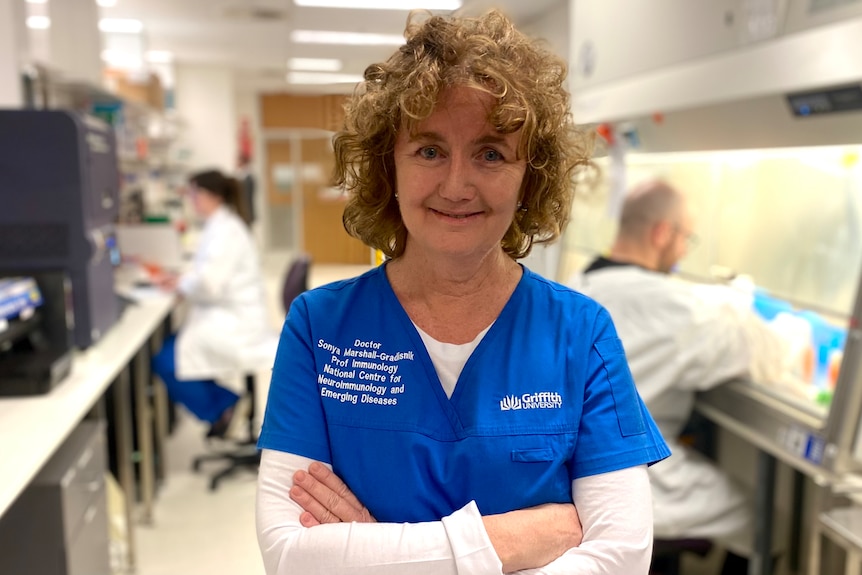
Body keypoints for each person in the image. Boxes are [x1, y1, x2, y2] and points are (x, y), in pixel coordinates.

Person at [255, 10, 670, 574]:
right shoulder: (320, 328)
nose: (456, 185)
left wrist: (376, 555)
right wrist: (515, 540)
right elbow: (290, 556)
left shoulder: (580, 334)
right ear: (389, 168)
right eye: (428, 150)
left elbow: (620, 559)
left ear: (531, 176)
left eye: (491, 153)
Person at [568, 179, 787, 574]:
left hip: (568, 477)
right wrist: (741, 305)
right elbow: (768, 352)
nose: (685, 250)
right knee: (767, 521)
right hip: (639, 481)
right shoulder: (673, 306)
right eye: (686, 238)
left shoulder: (576, 287)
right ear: (661, 234)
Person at [152, 169, 271, 439]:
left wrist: (180, 284)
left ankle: (225, 406)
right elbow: (208, 274)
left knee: (167, 362)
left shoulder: (226, 230)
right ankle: (226, 406)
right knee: (177, 352)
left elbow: (209, 284)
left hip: (234, 324)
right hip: (225, 314)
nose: (191, 201)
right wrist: (182, 280)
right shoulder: (221, 225)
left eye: (194, 194)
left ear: (211, 196)